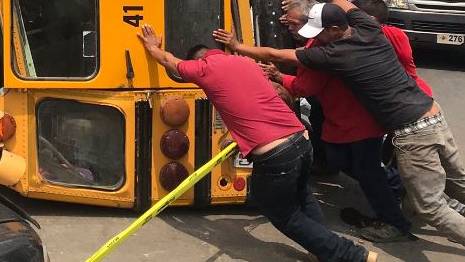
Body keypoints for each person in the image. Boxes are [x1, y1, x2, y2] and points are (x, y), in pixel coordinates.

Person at [214, 0, 465, 248]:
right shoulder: (366, 26)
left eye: (317, 32)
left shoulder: (332, 53)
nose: (314, 38)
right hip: (433, 114)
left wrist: (237, 47)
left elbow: (278, 55)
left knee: (430, 207)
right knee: (458, 183)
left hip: (412, 130)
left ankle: (399, 219)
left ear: (334, 29)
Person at [137, 25, 372, 262]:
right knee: (303, 195)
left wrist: (152, 47)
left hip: (276, 154)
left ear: (199, 59)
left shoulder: (204, 67)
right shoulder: (247, 63)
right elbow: (250, 101)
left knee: (282, 213)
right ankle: (321, 250)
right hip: (301, 140)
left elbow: (168, 61)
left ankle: (349, 254)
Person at [267, 0, 413, 242]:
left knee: (365, 170)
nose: (289, 27)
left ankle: (395, 217)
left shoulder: (324, 49)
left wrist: (278, 77)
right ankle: (395, 187)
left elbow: (305, 86)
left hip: (358, 119)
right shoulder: (325, 41)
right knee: (346, 161)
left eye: (294, 23)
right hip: (346, 118)